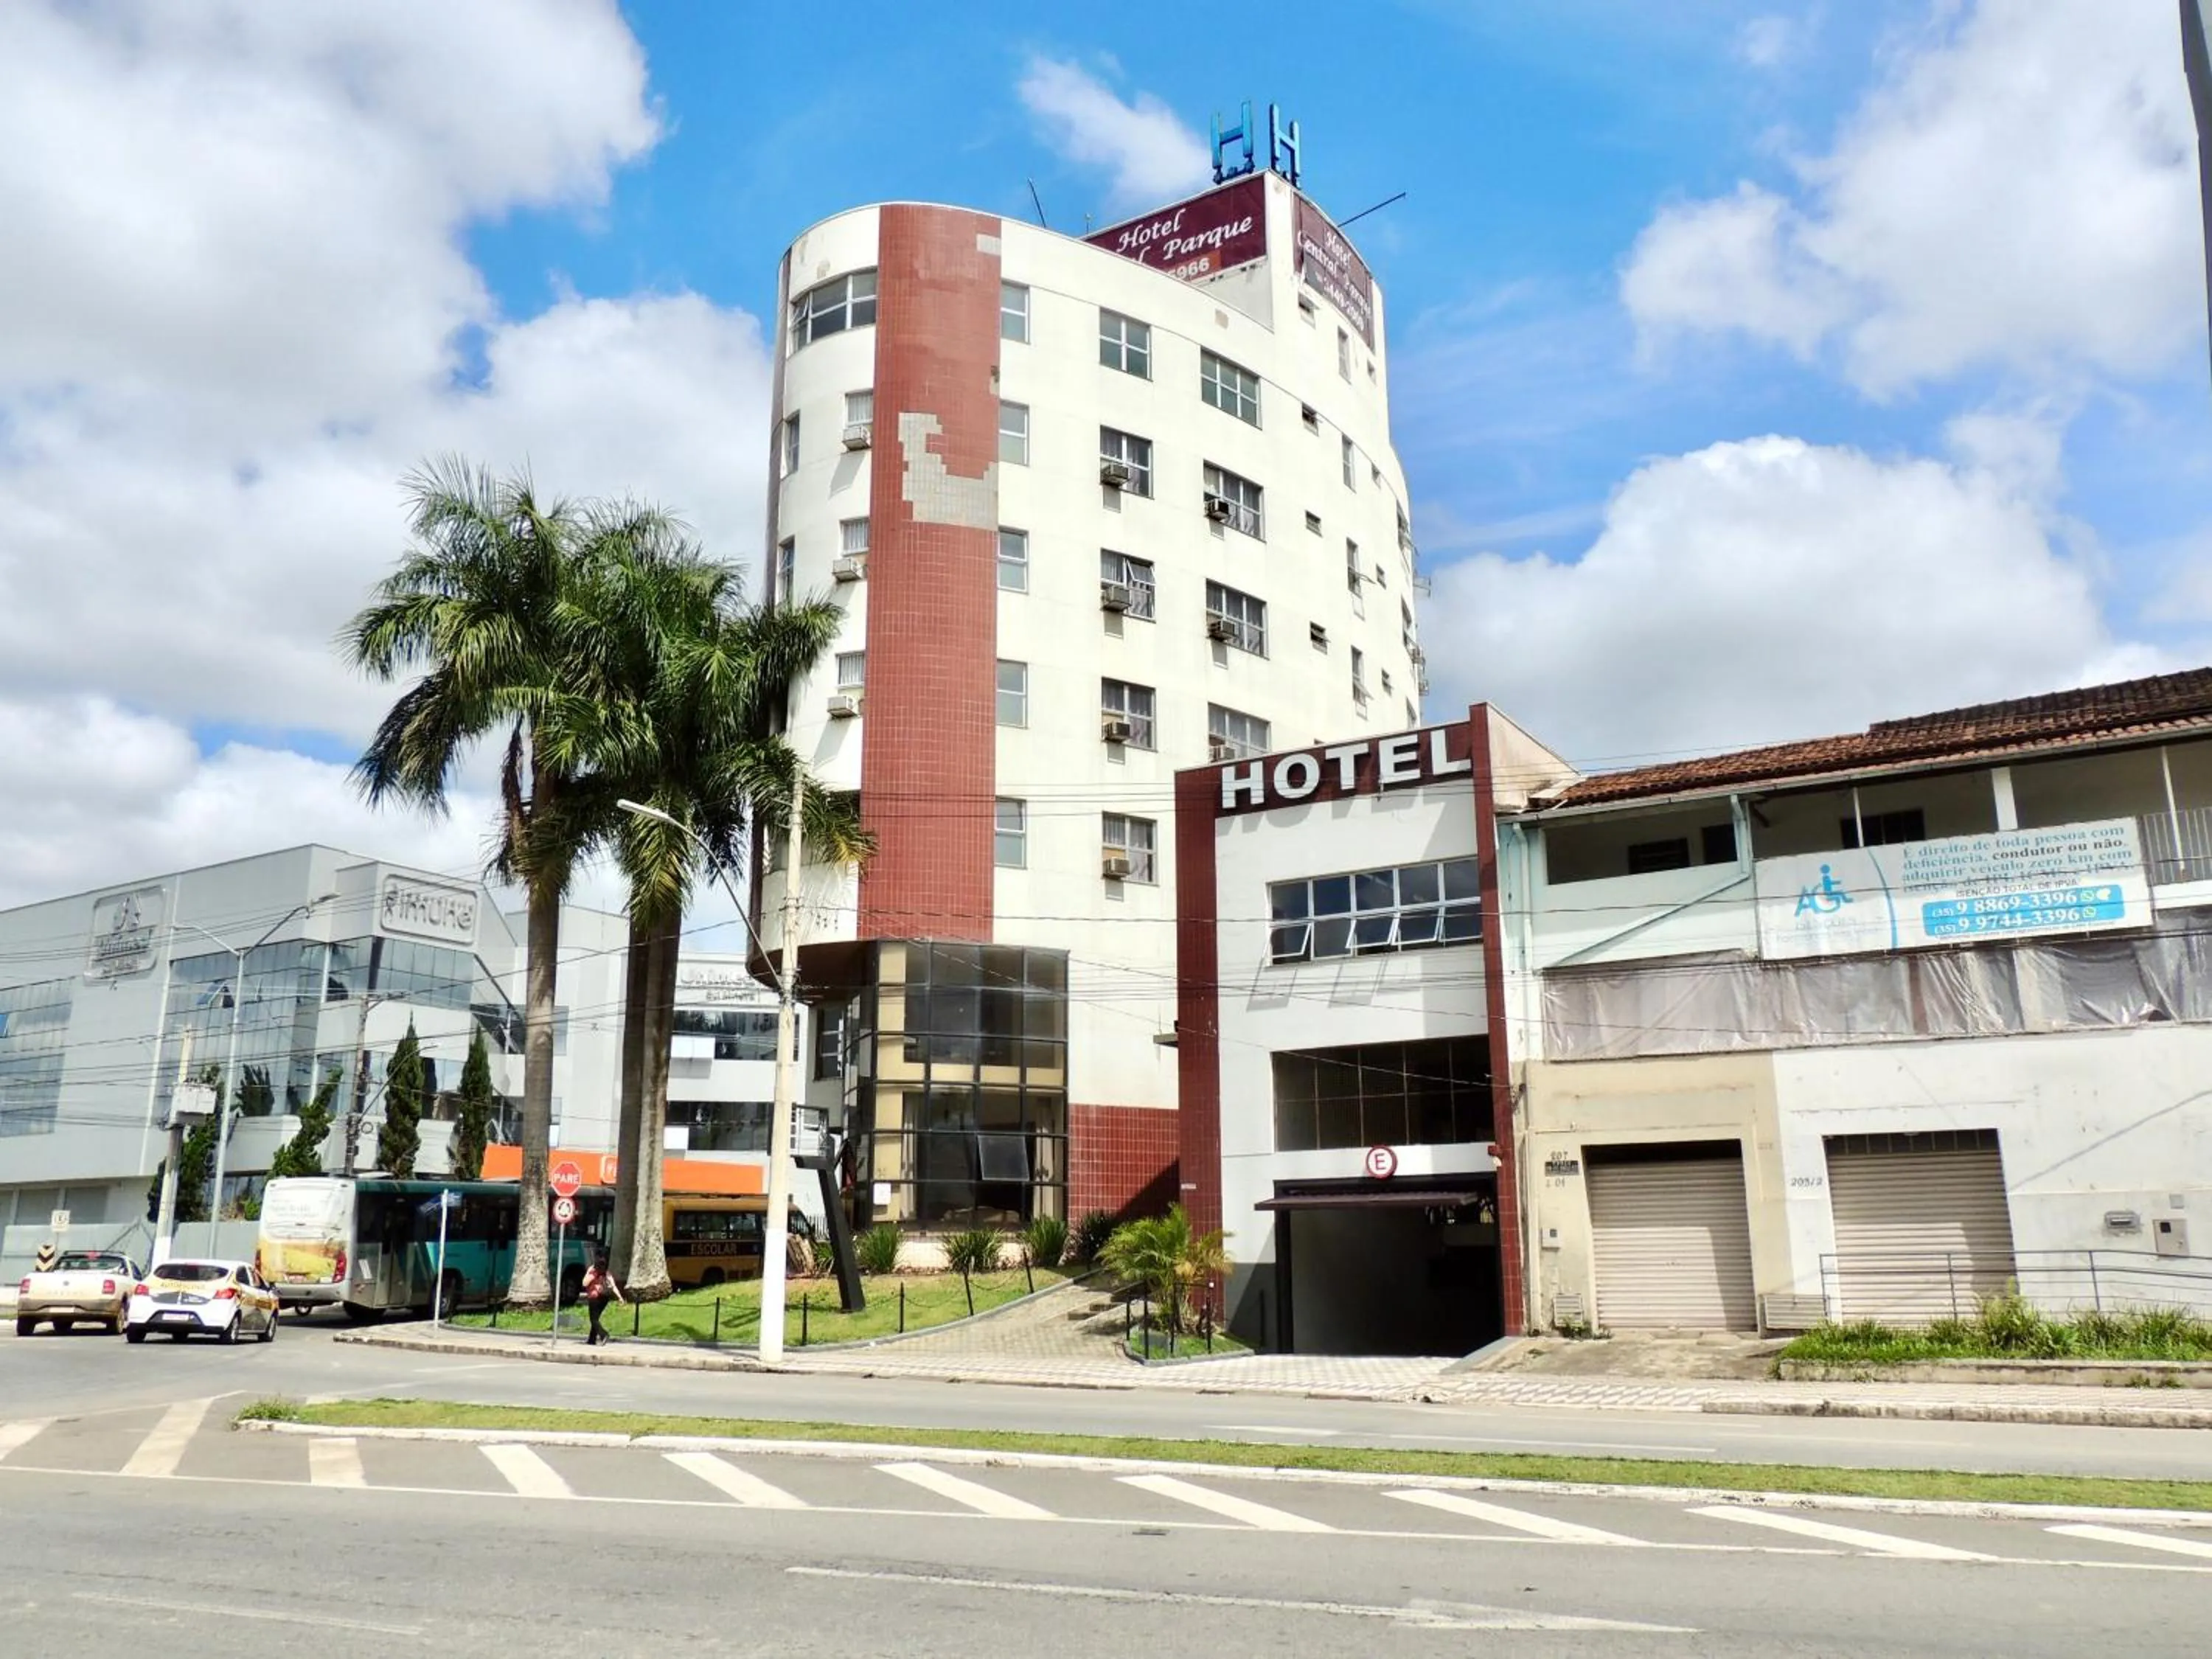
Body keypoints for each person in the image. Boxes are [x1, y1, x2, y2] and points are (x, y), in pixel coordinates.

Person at [581, 1249, 625, 1346]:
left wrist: (588, 1272)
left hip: (594, 1298)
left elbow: (584, 1283)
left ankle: (603, 1334)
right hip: (605, 1298)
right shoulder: (607, 1273)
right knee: (596, 1318)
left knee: (594, 1319)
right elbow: (613, 1286)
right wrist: (620, 1297)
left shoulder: (593, 1272)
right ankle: (591, 1339)